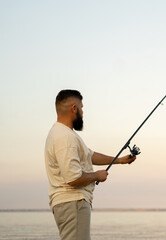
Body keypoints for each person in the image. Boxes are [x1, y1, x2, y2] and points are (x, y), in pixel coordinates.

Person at [44, 89, 136, 240]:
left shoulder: (64, 134)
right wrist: (97, 176)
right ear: (74, 108)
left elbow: (90, 155)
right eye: (81, 108)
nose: (82, 112)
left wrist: (119, 160)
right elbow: (73, 178)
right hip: (72, 202)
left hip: (70, 203)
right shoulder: (65, 137)